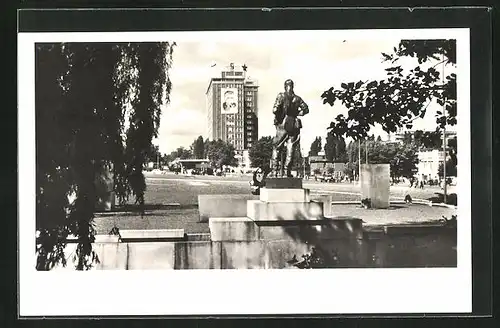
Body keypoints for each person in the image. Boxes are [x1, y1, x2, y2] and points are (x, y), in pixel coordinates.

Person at [270, 79, 309, 177]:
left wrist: (279, 115)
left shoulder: (281, 96)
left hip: (283, 125)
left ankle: (275, 172)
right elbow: (306, 109)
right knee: (290, 148)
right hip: (293, 125)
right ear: (292, 86)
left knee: (276, 147)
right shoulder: (297, 98)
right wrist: (296, 113)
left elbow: (275, 109)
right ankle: (287, 172)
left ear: (284, 86)